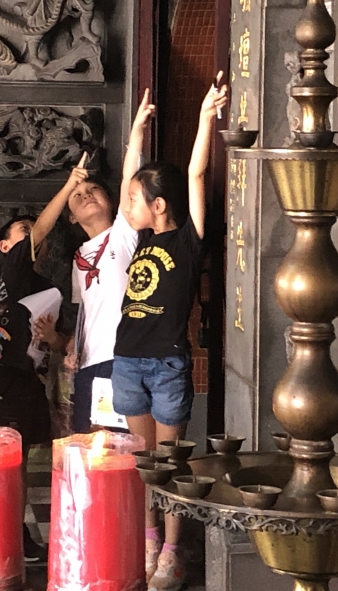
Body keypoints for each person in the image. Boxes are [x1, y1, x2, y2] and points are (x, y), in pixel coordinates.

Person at [112, 74, 227, 591]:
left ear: (160, 204)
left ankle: (174, 552)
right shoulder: (139, 237)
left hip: (166, 363)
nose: (130, 206)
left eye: (139, 199)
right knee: (142, 463)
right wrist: (136, 133)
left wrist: (205, 119)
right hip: (128, 360)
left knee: (170, 462)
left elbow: (197, 174)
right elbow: (125, 186)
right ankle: (149, 541)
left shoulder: (186, 241)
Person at [0, 155, 88, 563]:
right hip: (7, 380)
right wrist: (68, 184)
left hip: (32, 383)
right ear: (7, 245)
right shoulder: (13, 270)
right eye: (24, 232)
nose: (34, 235)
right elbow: (42, 227)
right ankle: (6, 534)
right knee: (10, 465)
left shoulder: (48, 288)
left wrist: (54, 338)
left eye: (35, 230)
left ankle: (17, 534)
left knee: (23, 464)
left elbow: (63, 345)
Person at [33, 92, 152, 434]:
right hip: (90, 362)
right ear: (70, 217)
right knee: (95, 449)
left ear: (111, 200)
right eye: (78, 196)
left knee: (128, 445)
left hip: (127, 358)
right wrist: (73, 346)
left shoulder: (123, 234)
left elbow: (133, 181)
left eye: (94, 190)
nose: (86, 195)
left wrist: (136, 133)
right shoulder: (78, 259)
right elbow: (85, 309)